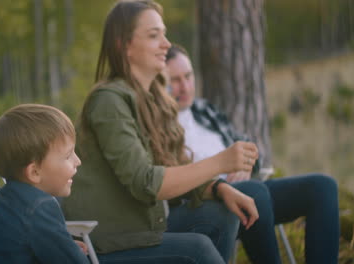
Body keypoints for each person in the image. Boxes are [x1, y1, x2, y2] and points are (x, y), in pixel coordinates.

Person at [62, 1, 260, 263]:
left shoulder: (149, 99)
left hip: (142, 230)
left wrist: (220, 187)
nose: (166, 44)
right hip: (105, 243)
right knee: (198, 249)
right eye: (154, 36)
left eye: (164, 34)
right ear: (124, 45)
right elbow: (147, 183)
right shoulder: (109, 102)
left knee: (220, 215)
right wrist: (221, 162)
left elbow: (170, 165)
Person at [165, 43, 340, 264]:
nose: (185, 86)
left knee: (322, 187)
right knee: (254, 191)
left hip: (253, 193)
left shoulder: (204, 110)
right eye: (176, 80)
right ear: (162, 84)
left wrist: (245, 165)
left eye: (188, 76)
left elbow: (247, 145)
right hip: (212, 205)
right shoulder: (162, 125)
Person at [0, 104, 89, 264]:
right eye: (67, 156)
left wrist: (65, 245)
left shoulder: (8, 197)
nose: (77, 161)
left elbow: (18, 244)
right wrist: (70, 251)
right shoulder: (40, 207)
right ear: (34, 172)